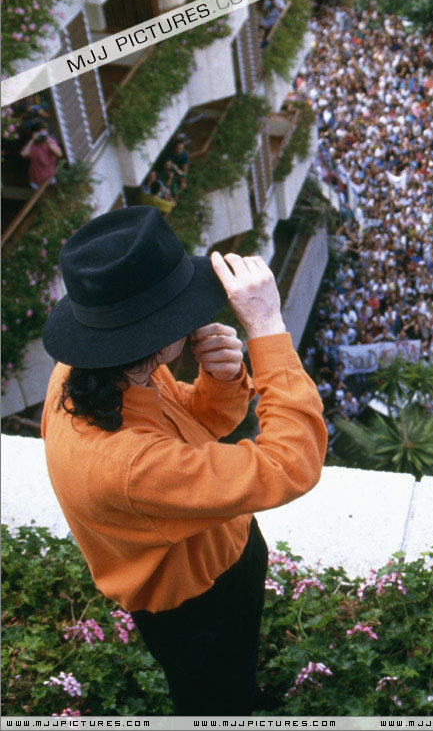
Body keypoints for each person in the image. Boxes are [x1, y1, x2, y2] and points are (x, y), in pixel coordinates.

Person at [41, 207, 327, 714]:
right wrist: (266, 327)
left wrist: (221, 380)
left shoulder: (95, 368)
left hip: (219, 551)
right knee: (214, 700)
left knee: (235, 673)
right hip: (197, 604)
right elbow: (292, 463)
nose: (194, 319)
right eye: (182, 312)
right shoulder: (130, 468)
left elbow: (193, 428)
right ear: (153, 338)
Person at [20, 121, 62, 190]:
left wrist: (49, 145)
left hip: (50, 179)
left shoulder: (50, 141)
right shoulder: (33, 145)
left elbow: (59, 154)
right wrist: (32, 140)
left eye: (44, 134)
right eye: (40, 134)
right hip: (35, 180)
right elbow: (23, 154)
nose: (42, 136)